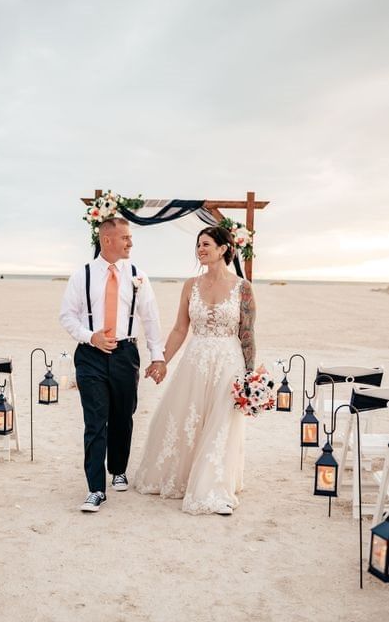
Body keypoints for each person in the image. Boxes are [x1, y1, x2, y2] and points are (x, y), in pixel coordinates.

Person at [134, 225, 256, 516]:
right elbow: (179, 328)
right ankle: (186, 477)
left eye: (206, 245)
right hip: (195, 361)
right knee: (187, 418)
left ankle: (212, 487)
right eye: (198, 245)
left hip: (229, 362)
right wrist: (160, 359)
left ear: (224, 249)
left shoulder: (243, 288)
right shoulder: (190, 285)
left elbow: (248, 334)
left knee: (220, 423)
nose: (200, 250)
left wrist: (251, 378)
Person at [59, 217, 166, 512]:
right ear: (107, 240)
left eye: (130, 238)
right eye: (125, 238)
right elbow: (67, 315)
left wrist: (157, 355)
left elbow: (150, 317)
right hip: (90, 356)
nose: (130, 243)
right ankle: (95, 488)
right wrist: (89, 336)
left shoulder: (138, 275)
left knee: (123, 415)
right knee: (95, 421)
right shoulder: (82, 275)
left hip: (125, 354)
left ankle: (118, 468)